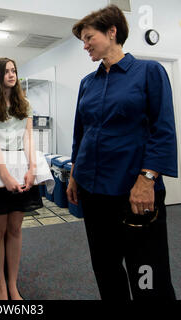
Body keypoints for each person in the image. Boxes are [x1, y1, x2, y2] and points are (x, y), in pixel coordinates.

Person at [67, 4, 178, 300]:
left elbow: (163, 130)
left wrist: (147, 180)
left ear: (112, 32)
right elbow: (82, 133)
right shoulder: (87, 83)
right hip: (93, 192)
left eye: (89, 38)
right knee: (105, 268)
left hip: (134, 191)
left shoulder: (148, 72)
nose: (85, 45)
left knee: (147, 273)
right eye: (83, 41)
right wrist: (74, 175)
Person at [0, 57, 43, 300]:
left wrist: (32, 168)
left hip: (21, 166)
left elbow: (28, 137)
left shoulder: (24, 103)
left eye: (14, 70)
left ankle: (13, 284)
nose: (11, 74)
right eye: (6, 71)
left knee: (15, 228)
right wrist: (4, 174)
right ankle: (0, 286)